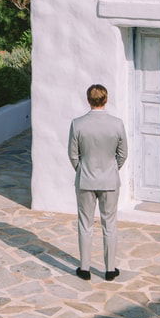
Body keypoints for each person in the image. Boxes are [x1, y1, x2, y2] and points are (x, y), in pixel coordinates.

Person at [68, 84, 128, 281]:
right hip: (109, 180)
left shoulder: (77, 124)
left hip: (85, 179)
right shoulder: (117, 124)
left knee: (85, 224)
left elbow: (73, 154)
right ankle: (110, 269)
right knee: (109, 224)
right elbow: (123, 154)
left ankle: (84, 268)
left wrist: (82, 170)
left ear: (88, 99)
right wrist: (112, 169)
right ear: (106, 99)